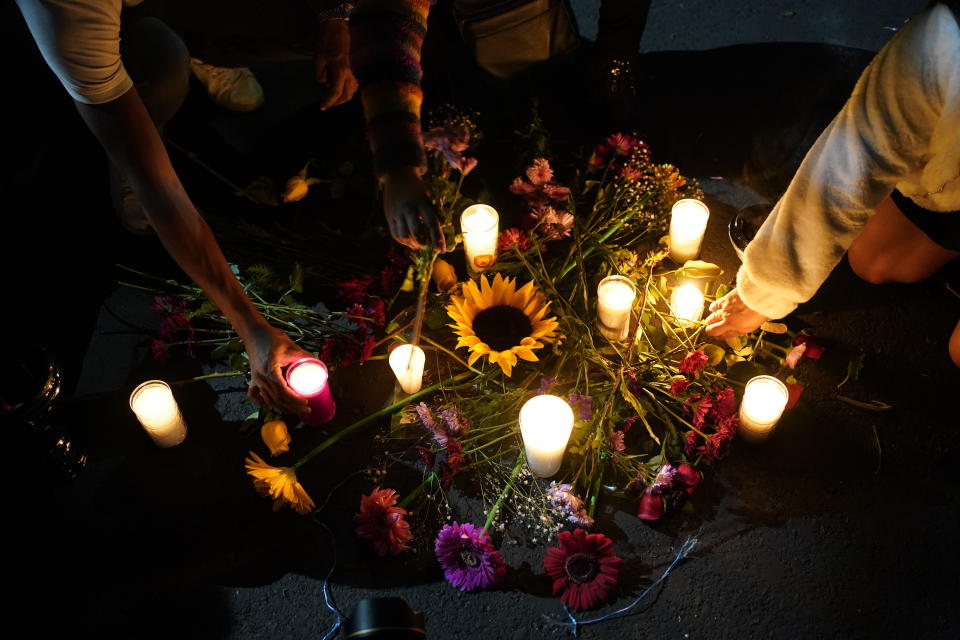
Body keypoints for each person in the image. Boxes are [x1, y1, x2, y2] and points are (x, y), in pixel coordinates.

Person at [14, 0, 356, 413]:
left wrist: (335, 14)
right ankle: (148, 102)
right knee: (162, 80)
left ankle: (206, 49)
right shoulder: (70, 16)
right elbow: (162, 189)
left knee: (325, 28)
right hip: (103, 36)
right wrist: (252, 328)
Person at [704, 2, 960, 368]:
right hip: (951, 189)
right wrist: (767, 290)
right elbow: (852, 161)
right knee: (874, 262)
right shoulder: (941, 45)